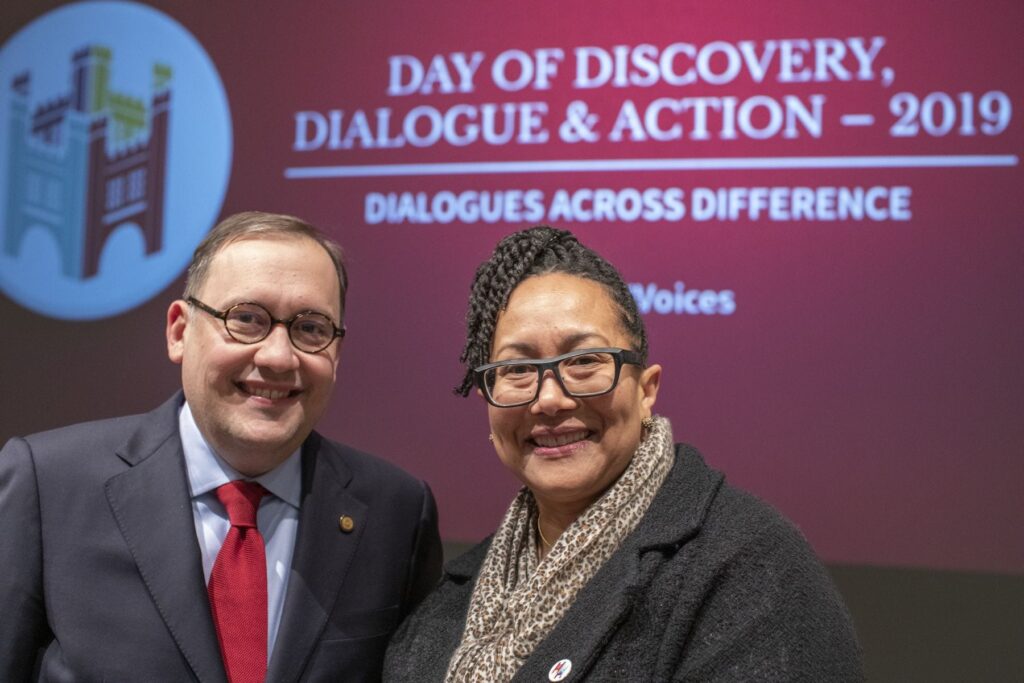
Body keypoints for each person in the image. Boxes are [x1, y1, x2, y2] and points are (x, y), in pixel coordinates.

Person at [384, 226, 863, 682]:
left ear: (646, 390)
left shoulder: (751, 567)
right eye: (517, 369)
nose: (549, 399)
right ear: (488, 401)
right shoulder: (449, 601)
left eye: (585, 361)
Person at [0, 211, 442, 682]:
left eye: (311, 328)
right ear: (179, 331)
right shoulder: (47, 485)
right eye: (246, 319)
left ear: (336, 351)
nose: (277, 356)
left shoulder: (395, 512)